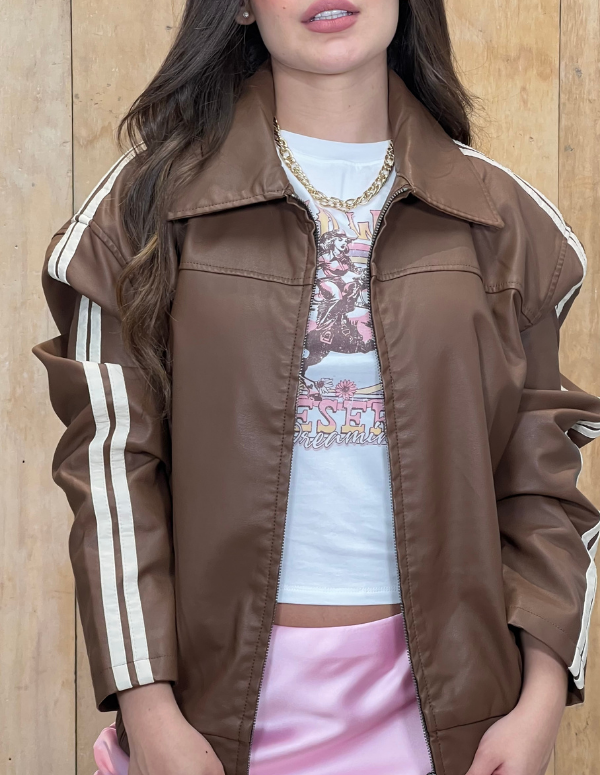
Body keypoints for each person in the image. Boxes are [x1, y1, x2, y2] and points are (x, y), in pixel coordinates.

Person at [34, 1, 600, 774]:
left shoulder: (507, 222)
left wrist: (541, 701)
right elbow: (111, 476)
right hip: (212, 718)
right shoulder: (142, 208)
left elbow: (543, 492)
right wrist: (149, 708)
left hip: (450, 720)